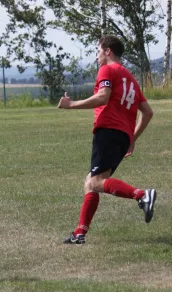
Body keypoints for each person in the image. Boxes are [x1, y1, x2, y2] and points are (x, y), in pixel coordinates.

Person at [57, 35, 155, 245]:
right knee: (90, 182)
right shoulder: (130, 78)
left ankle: (142, 195)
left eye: (98, 50)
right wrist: (132, 137)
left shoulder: (108, 69)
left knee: (96, 181)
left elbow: (103, 96)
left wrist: (71, 104)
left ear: (107, 51)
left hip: (108, 131)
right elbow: (147, 112)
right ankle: (80, 233)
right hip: (121, 135)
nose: (97, 56)